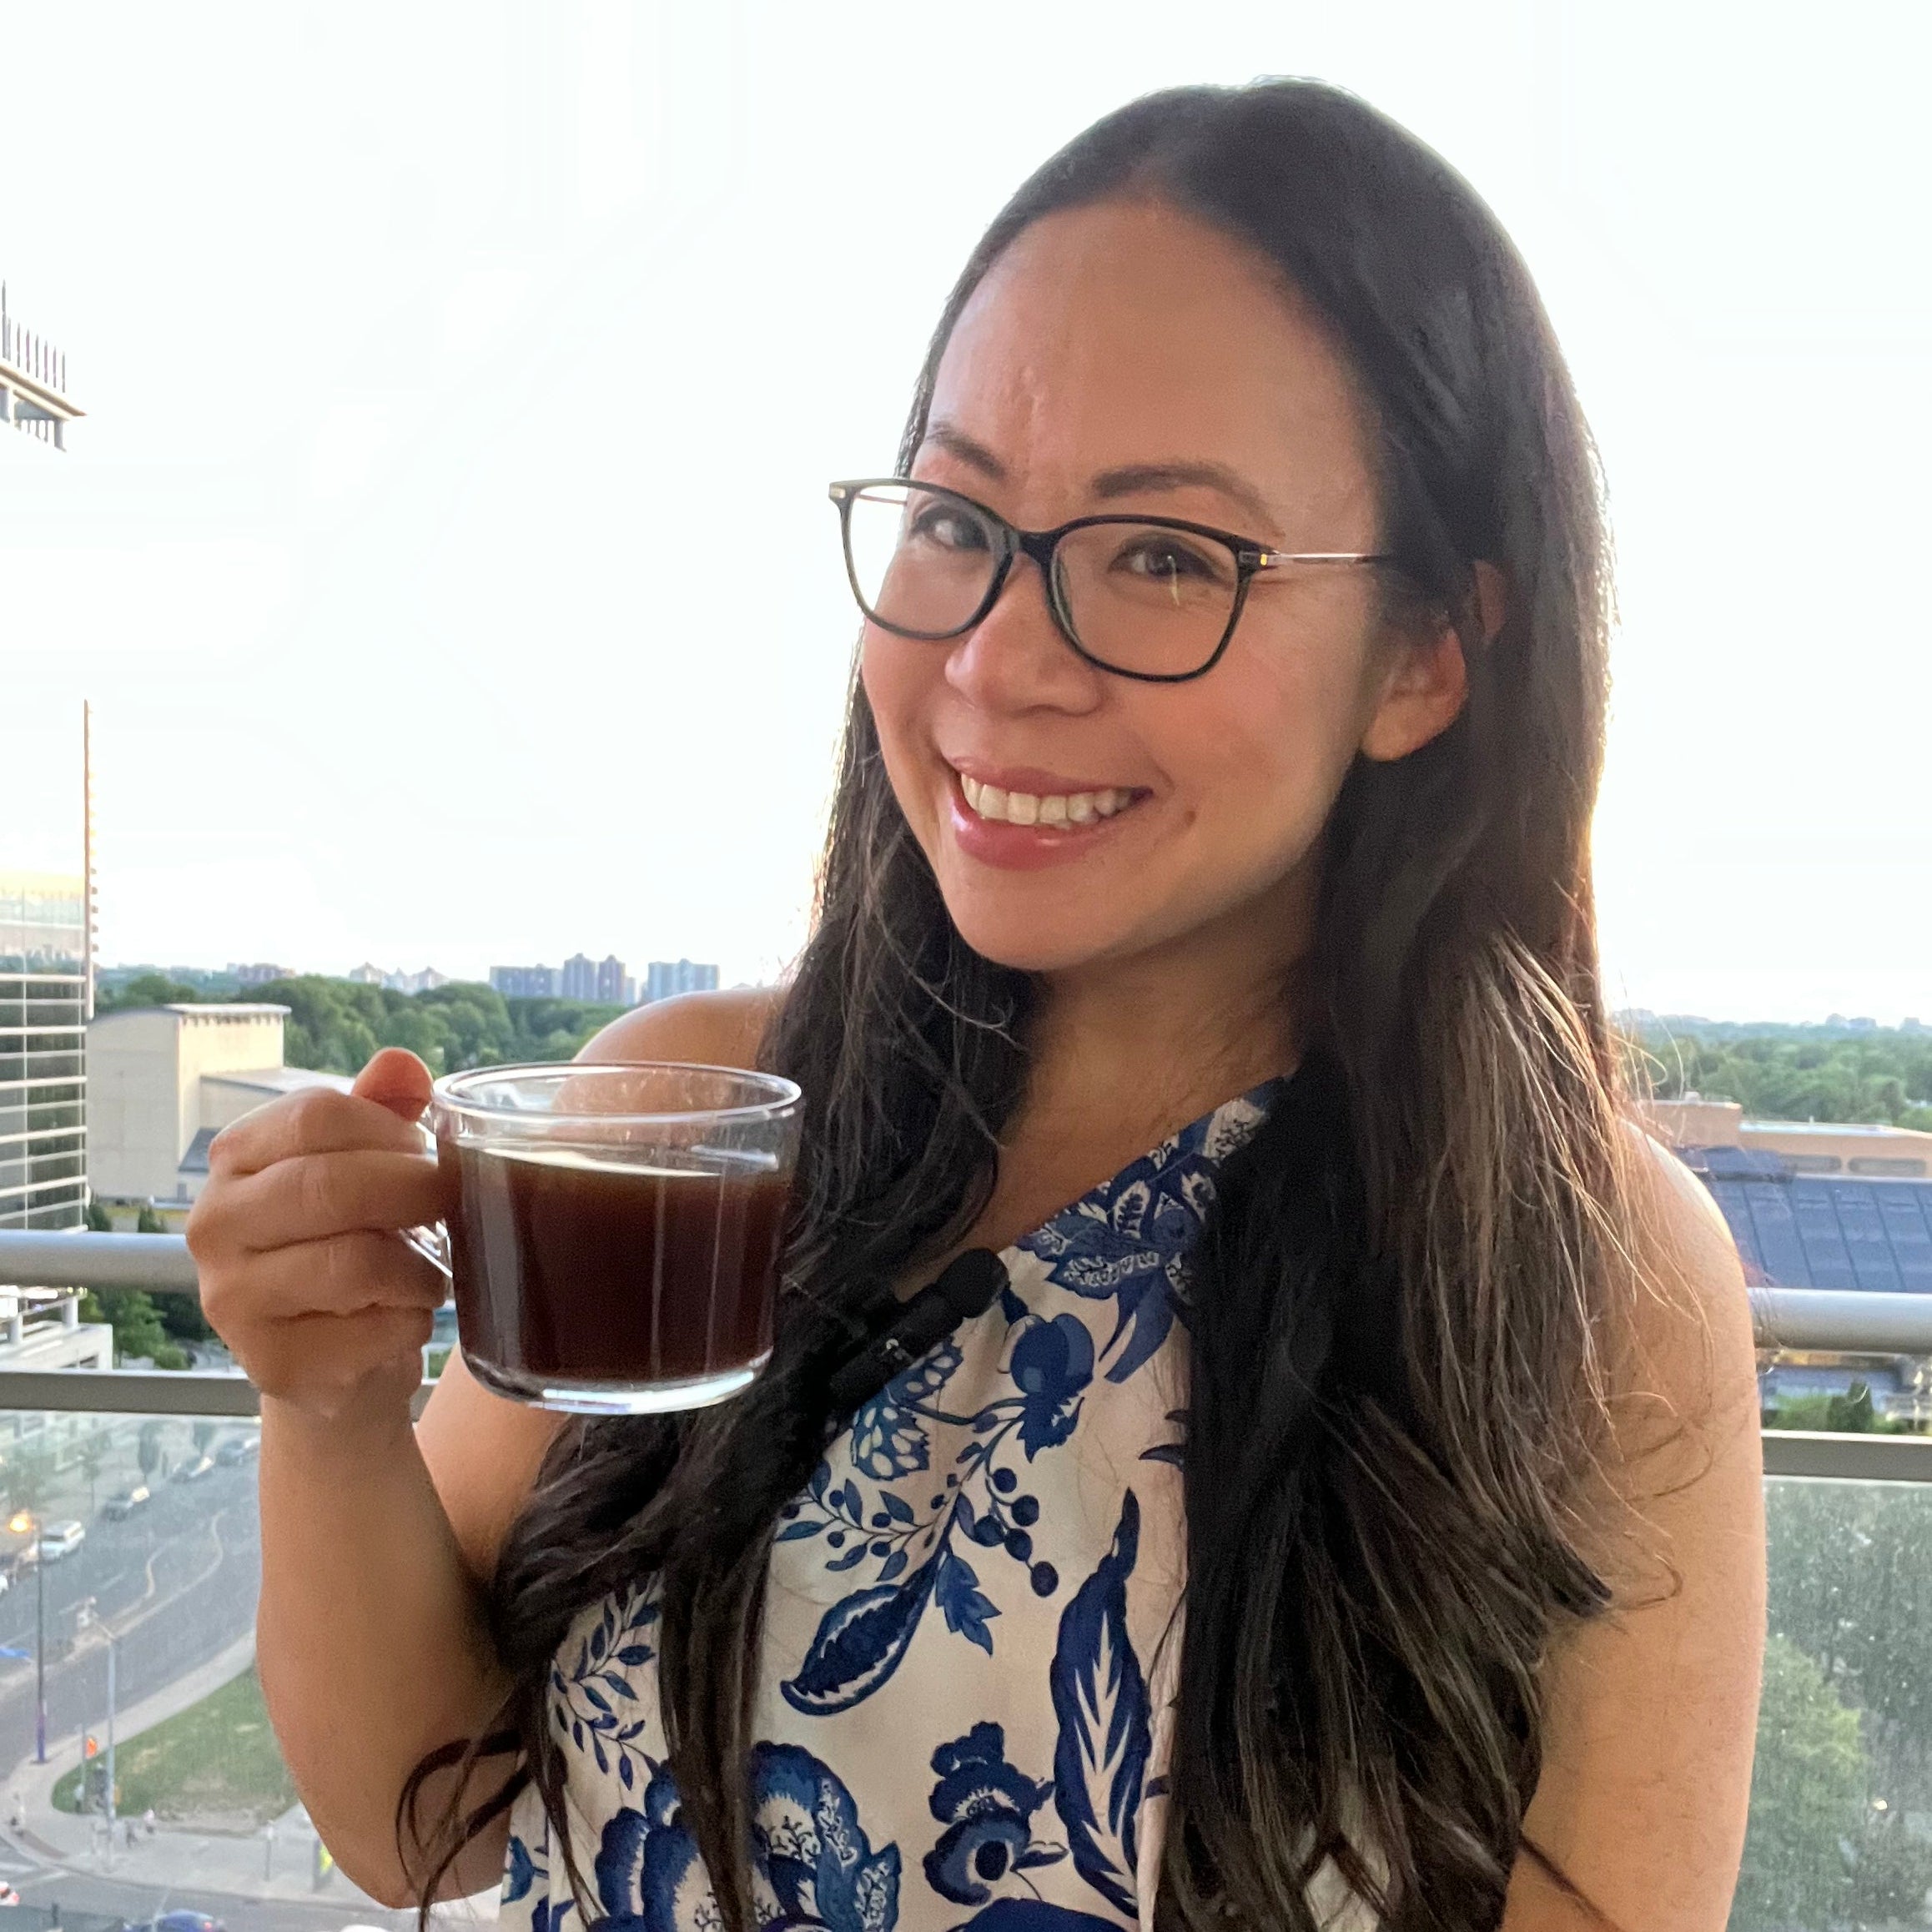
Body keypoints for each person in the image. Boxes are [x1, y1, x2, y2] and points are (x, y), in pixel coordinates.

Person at [189, 79, 1763, 1932]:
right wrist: (334, 1408)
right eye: (956, 516)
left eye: (1166, 557)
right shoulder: (696, 1112)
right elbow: (419, 1824)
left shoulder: (1575, 1276)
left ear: (1426, 656)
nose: (997, 664)